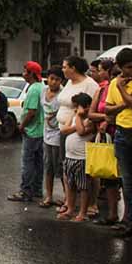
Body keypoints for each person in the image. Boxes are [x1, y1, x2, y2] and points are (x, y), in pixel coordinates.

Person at [54, 56, 99, 215]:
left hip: (81, 132)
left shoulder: (90, 85)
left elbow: (94, 108)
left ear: (74, 68)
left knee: (86, 171)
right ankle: (70, 201)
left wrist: (78, 125)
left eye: (65, 66)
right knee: (66, 168)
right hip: (64, 129)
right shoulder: (69, 83)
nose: (63, 69)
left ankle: (91, 204)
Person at [106, 47, 132, 237]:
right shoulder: (113, 84)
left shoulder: (118, 85)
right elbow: (108, 110)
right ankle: (130, 220)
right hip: (122, 132)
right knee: (127, 181)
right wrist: (126, 101)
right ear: (120, 67)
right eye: (128, 67)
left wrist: (121, 90)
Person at [88, 59, 121, 225]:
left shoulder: (120, 89)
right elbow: (91, 113)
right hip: (106, 138)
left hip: (121, 134)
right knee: (109, 177)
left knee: (125, 178)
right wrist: (105, 118)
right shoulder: (101, 91)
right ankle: (112, 215)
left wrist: (109, 119)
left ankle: (128, 217)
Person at [7, 61, 45, 202]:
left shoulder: (34, 89)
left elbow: (32, 112)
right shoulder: (41, 86)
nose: (23, 74)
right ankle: (37, 189)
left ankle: (26, 191)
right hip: (41, 130)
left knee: (28, 162)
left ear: (31, 74)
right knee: (38, 162)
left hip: (32, 131)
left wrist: (22, 125)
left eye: (25, 71)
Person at [57, 93, 96, 222]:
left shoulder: (90, 120)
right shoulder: (75, 117)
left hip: (82, 158)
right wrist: (76, 119)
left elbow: (81, 131)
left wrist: (79, 116)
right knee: (71, 185)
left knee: (83, 186)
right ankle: (70, 208)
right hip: (70, 156)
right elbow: (64, 130)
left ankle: (82, 213)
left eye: (77, 106)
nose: (75, 109)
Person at [39, 65, 64, 208]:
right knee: (48, 166)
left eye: (57, 79)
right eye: (51, 79)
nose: (54, 82)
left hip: (59, 133)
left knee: (60, 168)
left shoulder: (63, 94)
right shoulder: (43, 91)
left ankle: (68, 199)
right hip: (46, 132)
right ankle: (49, 196)